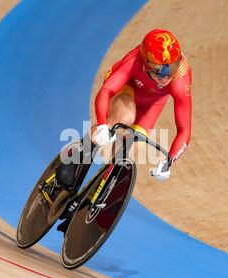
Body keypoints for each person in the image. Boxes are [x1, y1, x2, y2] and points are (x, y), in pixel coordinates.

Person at [56, 29, 192, 233]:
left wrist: (169, 161)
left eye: (171, 67)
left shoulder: (180, 76)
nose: (167, 76)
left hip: (152, 105)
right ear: (147, 65)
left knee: (126, 155)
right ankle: (76, 157)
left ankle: (90, 202)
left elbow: (184, 128)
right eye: (161, 71)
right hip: (126, 89)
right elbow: (106, 91)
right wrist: (103, 123)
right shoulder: (133, 61)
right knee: (122, 120)